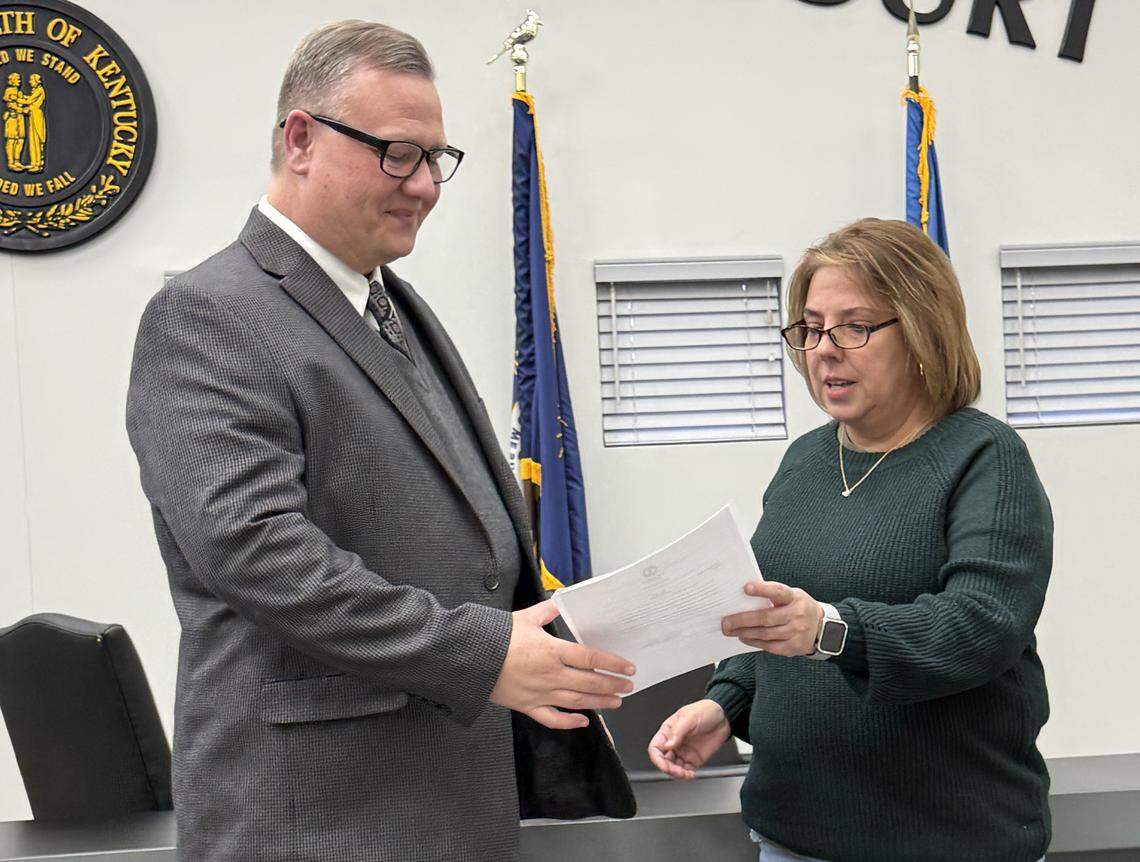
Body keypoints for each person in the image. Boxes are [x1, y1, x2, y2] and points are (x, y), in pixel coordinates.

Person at [126, 20, 634, 862]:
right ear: (300, 140)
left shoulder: (391, 303)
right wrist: (477, 652)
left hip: (445, 800)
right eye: (399, 153)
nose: (427, 186)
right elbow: (256, 550)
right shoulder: (208, 315)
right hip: (318, 818)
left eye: (437, 158)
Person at [648, 218, 1052, 862]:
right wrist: (726, 704)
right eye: (810, 328)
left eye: (855, 327)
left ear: (923, 331)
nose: (824, 349)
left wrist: (831, 631)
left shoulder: (984, 456)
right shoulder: (805, 460)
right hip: (792, 834)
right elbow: (772, 619)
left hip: (944, 841)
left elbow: (981, 628)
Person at [21, 73, 45, 173]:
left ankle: (38, 164)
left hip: (37, 116)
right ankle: (33, 162)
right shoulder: (35, 91)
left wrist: (15, 98)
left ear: (37, 81)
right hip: (33, 115)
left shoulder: (39, 90)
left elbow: (29, 101)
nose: (30, 82)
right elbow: (29, 99)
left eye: (31, 80)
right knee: (32, 141)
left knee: (37, 140)